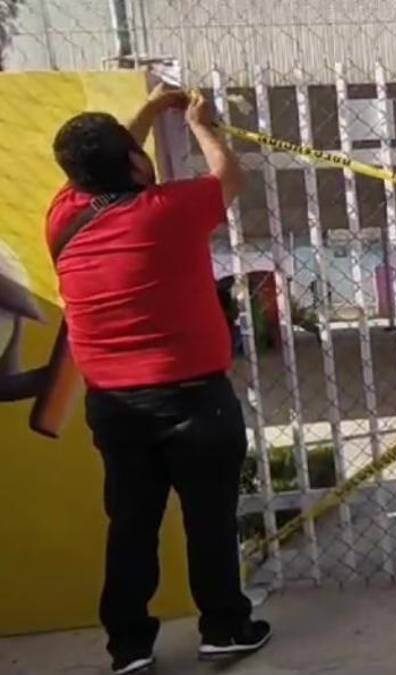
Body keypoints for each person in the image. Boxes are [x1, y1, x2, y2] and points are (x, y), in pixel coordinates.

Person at [46, 84, 270, 674]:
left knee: (131, 525)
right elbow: (230, 177)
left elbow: (114, 162)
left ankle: (129, 647)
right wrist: (200, 124)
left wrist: (145, 111)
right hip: (194, 398)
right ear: (135, 163)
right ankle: (224, 628)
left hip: (115, 406)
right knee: (209, 520)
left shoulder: (64, 214)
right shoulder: (168, 210)